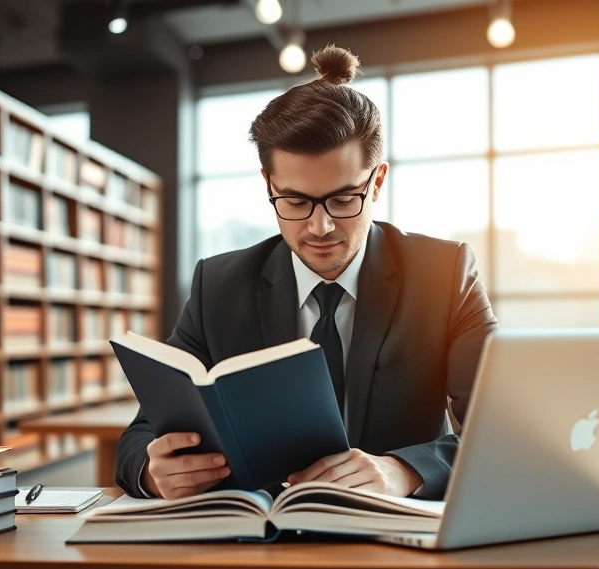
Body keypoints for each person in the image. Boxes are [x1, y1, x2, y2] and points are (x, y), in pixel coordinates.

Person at [116, 45, 498, 501]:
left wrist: (406, 471)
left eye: (343, 199)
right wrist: (153, 471)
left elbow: (501, 430)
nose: (320, 227)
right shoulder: (217, 286)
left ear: (377, 182)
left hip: (398, 541)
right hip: (260, 540)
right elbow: (139, 437)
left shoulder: (446, 273)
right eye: (295, 202)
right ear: (268, 185)